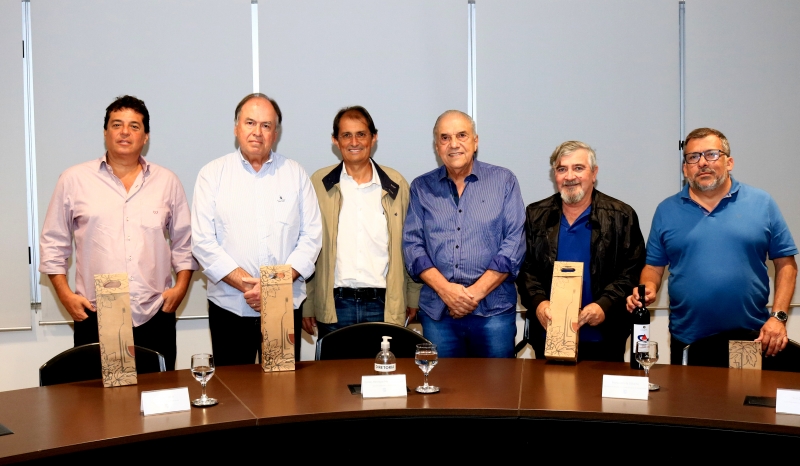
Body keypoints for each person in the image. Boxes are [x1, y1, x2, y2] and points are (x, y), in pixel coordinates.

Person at [39, 95, 196, 370]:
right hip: (95, 316)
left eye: (135, 126)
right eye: (117, 124)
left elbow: (185, 242)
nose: (125, 132)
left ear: (145, 136)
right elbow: (53, 244)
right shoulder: (73, 180)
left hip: (154, 315)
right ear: (105, 132)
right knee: (96, 407)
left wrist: (181, 287)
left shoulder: (167, 181)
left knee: (156, 403)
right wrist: (65, 295)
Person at [627, 128, 798, 363]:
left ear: (729, 162)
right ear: (685, 168)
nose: (702, 163)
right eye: (693, 157)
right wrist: (647, 289)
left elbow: (786, 265)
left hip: (750, 339)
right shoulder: (666, 210)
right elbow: (654, 267)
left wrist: (778, 318)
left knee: (742, 398)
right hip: (688, 341)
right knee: (689, 400)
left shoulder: (762, 203)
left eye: (711, 154)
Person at [191, 93, 322, 366]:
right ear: (236, 127)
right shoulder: (212, 175)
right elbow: (203, 242)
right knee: (233, 397)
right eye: (250, 123)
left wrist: (272, 288)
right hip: (229, 307)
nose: (257, 132)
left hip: (284, 307)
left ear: (276, 132)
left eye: (266, 125)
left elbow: (311, 238)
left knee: (282, 394)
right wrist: (251, 286)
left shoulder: (295, 174)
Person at [403, 110, 525, 358]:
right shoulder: (421, 187)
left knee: (498, 392)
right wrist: (447, 292)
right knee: (443, 392)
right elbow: (412, 247)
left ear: (476, 141)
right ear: (437, 146)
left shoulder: (504, 181)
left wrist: (472, 295)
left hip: (494, 312)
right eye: (445, 138)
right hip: (439, 314)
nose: (454, 144)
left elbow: (514, 244)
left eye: (462, 135)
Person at [517, 141, 645, 361]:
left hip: (605, 336)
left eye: (578, 168)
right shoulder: (535, 215)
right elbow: (524, 267)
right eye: (561, 169)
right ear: (554, 175)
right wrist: (539, 303)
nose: (569, 176)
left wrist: (604, 305)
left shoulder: (621, 216)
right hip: (550, 336)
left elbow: (632, 269)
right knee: (548, 395)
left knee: (599, 397)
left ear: (594, 173)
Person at [304, 107, 420, 339]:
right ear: (335, 140)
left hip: (384, 304)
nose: (354, 141)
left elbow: (411, 245)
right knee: (334, 376)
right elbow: (308, 245)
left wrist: (412, 296)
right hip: (335, 306)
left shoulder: (396, 184)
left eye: (361, 134)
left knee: (383, 374)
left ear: (373, 137)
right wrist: (308, 302)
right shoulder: (318, 183)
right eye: (346, 135)